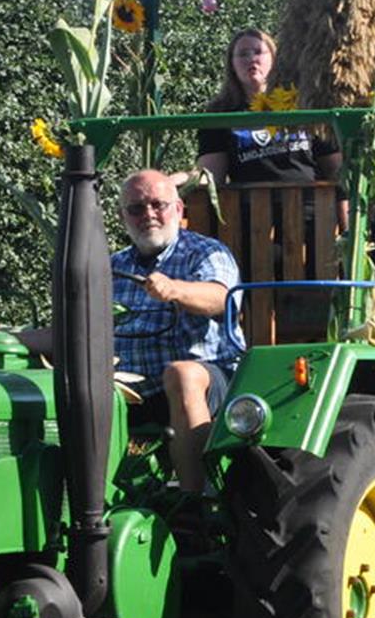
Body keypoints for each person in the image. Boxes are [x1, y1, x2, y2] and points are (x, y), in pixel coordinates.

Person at [110, 169, 243, 496]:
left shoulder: (205, 253)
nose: (149, 215)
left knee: (182, 375)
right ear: (121, 215)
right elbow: (69, 330)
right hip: (131, 387)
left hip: (213, 381)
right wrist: (8, 338)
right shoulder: (109, 267)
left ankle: (197, 502)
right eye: (136, 208)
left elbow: (221, 299)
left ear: (179, 210)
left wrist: (175, 290)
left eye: (159, 204)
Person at [196, 28, 343, 186]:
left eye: (258, 52)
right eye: (243, 54)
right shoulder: (220, 112)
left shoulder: (302, 103)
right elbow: (211, 176)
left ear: (274, 59)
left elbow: (335, 168)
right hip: (250, 207)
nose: (252, 59)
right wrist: (185, 178)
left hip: (309, 204)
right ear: (232, 64)